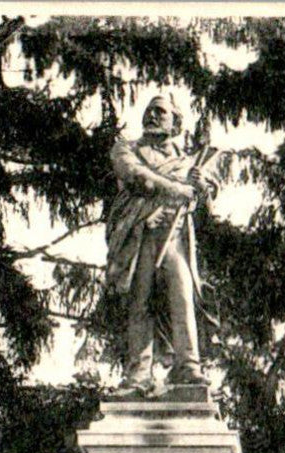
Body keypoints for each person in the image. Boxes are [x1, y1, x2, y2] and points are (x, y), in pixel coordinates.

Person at [106, 95, 224, 396]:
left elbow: (206, 202)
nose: (152, 116)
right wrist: (177, 188)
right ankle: (139, 374)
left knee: (183, 300)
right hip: (139, 236)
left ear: (175, 122)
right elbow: (136, 176)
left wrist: (200, 186)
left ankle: (187, 367)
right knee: (140, 302)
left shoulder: (188, 163)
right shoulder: (127, 148)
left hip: (175, 238)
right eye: (149, 111)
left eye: (160, 112)